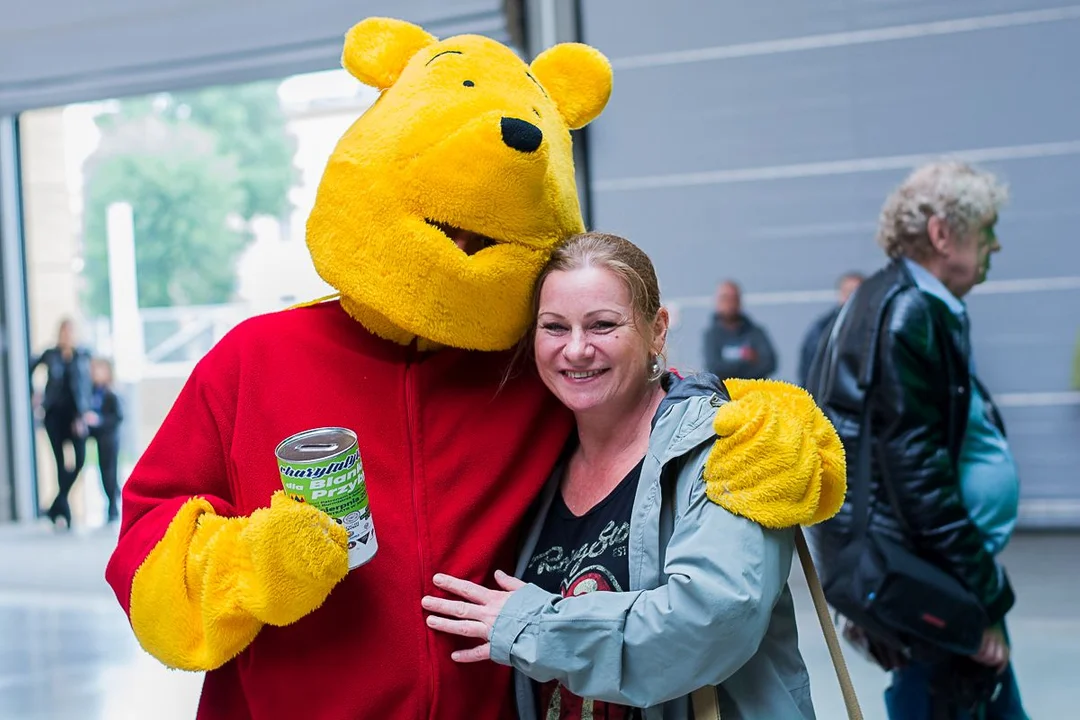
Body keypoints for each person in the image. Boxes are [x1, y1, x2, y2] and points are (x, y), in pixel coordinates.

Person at [423, 232, 846, 720]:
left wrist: (532, 627)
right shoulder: (538, 461)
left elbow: (708, 626)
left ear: (657, 330)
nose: (577, 350)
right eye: (554, 327)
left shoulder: (734, 447)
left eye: (603, 325)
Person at [807, 161, 1028, 719]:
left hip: (930, 568)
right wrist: (986, 596)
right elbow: (918, 479)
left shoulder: (909, 302)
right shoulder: (907, 312)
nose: (995, 245)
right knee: (937, 696)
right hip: (922, 573)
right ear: (941, 233)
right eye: (986, 229)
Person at [30, 318, 93, 529]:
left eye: (71, 331)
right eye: (64, 331)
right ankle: (63, 513)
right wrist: (35, 395)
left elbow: (88, 384)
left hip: (75, 416)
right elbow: (28, 369)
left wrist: (86, 412)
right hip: (55, 415)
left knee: (80, 460)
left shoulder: (83, 355)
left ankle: (57, 504)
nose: (68, 335)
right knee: (60, 463)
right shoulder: (50, 354)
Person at [797, 271, 863, 387]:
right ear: (840, 294)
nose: (851, 297)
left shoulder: (878, 327)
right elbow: (809, 365)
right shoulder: (822, 328)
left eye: (856, 293)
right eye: (848, 292)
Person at [703, 280, 777, 380]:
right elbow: (714, 368)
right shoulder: (711, 335)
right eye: (725, 298)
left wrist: (732, 368)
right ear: (717, 302)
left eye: (733, 298)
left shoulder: (756, 332)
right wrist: (748, 361)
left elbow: (769, 364)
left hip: (754, 391)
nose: (729, 303)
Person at [87, 357, 124, 523]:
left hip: (110, 439)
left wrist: (99, 420)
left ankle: (113, 506)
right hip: (99, 439)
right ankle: (111, 502)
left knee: (110, 472)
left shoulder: (111, 394)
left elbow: (117, 417)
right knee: (103, 472)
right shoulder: (93, 392)